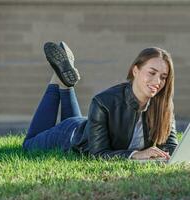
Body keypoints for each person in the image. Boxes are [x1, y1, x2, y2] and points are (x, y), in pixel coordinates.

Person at [22, 41, 178, 160]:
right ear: (135, 70)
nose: (157, 82)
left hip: (89, 126)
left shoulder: (163, 106)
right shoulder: (104, 102)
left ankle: (63, 81)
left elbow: (171, 146)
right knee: (28, 145)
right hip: (68, 135)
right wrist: (135, 154)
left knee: (80, 121)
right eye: (151, 73)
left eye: (163, 77)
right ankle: (57, 80)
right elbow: (99, 153)